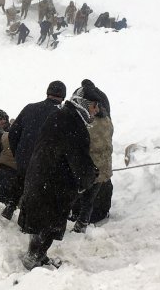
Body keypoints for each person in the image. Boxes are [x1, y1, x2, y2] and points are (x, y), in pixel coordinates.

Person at [17, 83, 101, 270]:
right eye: (94, 105)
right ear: (83, 104)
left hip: (41, 178)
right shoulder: (74, 124)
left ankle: (38, 256)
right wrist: (90, 175)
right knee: (47, 226)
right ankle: (33, 261)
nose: (96, 111)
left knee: (41, 224)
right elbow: (78, 158)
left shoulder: (60, 116)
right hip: (53, 185)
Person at [7, 81, 65, 218]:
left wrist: (18, 152)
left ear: (47, 93)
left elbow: (13, 132)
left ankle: (10, 205)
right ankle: (25, 218)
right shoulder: (61, 115)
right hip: (43, 162)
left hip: (24, 157)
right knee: (37, 191)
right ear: (63, 97)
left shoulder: (30, 108)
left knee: (21, 180)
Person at [72, 79, 113, 233]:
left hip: (89, 167)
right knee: (95, 194)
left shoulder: (87, 118)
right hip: (103, 166)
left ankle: (80, 220)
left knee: (82, 194)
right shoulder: (106, 117)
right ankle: (89, 219)